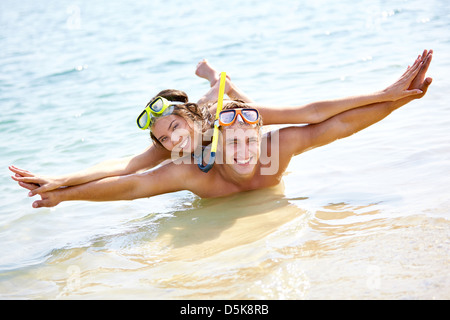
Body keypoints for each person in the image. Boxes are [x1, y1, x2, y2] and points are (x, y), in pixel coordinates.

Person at [12, 50, 433, 207]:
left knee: (232, 95)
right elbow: (129, 176)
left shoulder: (246, 129)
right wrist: (61, 187)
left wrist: (391, 96)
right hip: (211, 125)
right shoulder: (177, 157)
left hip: (222, 110)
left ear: (197, 123)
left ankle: (214, 73)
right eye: (164, 138)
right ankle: (215, 77)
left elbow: (318, 114)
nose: (173, 139)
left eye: (175, 128)